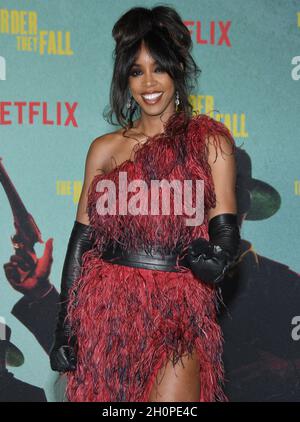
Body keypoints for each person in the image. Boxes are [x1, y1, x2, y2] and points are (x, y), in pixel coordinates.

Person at [49, 6, 241, 402]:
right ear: (125, 79)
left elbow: (224, 228)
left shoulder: (210, 143)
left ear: (178, 72)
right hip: (106, 314)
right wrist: (65, 328)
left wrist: (217, 257)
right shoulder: (104, 149)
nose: (149, 82)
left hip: (178, 312)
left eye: (160, 68)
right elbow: (80, 244)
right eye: (137, 71)